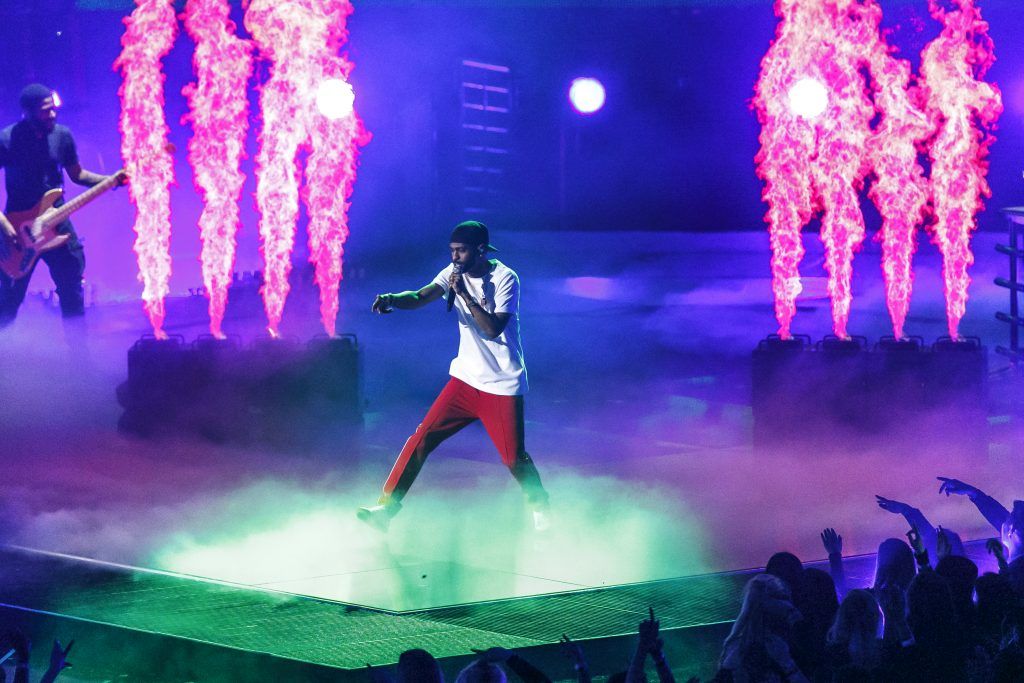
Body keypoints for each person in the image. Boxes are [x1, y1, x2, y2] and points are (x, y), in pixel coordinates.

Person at [358, 221, 549, 531]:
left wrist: (465, 296)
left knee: (514, 459)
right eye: (452, 252)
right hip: (464, 380)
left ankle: (540, 504)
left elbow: (492, 329)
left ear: (481, 250)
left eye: (461, 251)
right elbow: (421, 296)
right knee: (421, 439)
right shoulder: (452, 273)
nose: (455, 258)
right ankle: (386, 510)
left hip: (501, 384)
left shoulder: (505, 278)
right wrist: (393, 299)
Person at [0, 83, 123, 328]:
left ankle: (78, 355)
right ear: (28, 112)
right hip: (16, 229)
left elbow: (78, 175)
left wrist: (112, 180)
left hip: (57, 221)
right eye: (46, 111)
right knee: (9, 298)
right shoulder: (6, 139)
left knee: (71, 287)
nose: (53, 115)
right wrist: (3, 225)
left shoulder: (62, 136)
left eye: (54, 109)